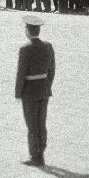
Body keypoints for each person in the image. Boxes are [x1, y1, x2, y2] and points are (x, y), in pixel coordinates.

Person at [14, 15, 55, 166]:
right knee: (41, 123)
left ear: (27, 31)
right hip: (44, 89)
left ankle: (35, 157)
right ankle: (41, 154)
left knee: (32, 125)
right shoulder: (48, 46)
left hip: (29, 91)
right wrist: (47, 85)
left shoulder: (25, 49)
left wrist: (18, 92)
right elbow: (52, 70)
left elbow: (21, 73)